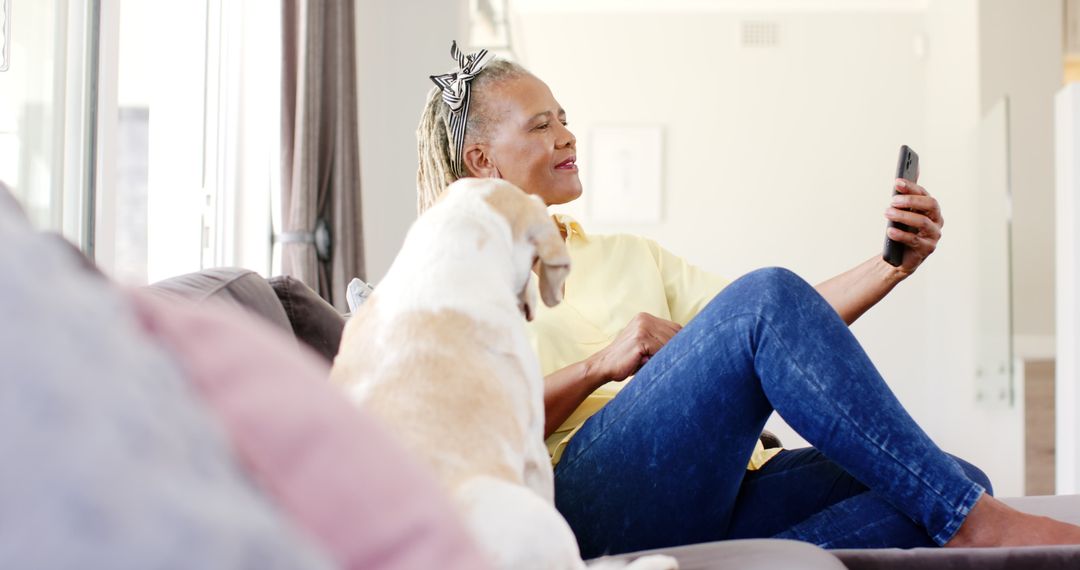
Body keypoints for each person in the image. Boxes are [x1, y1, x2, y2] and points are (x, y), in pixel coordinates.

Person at [415, 42, 1080, 556]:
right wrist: (601, 363)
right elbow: (457, 434)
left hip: (718, 488)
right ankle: (975, 523)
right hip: (581, 497)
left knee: (941, 479)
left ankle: (752, 561)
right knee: (950, 499)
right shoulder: (449, 276)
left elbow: (783, 325)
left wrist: (891, 268)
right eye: (539, 126)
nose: (565, 135)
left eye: (564, 118)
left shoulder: (628, 255)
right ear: (481, 160)